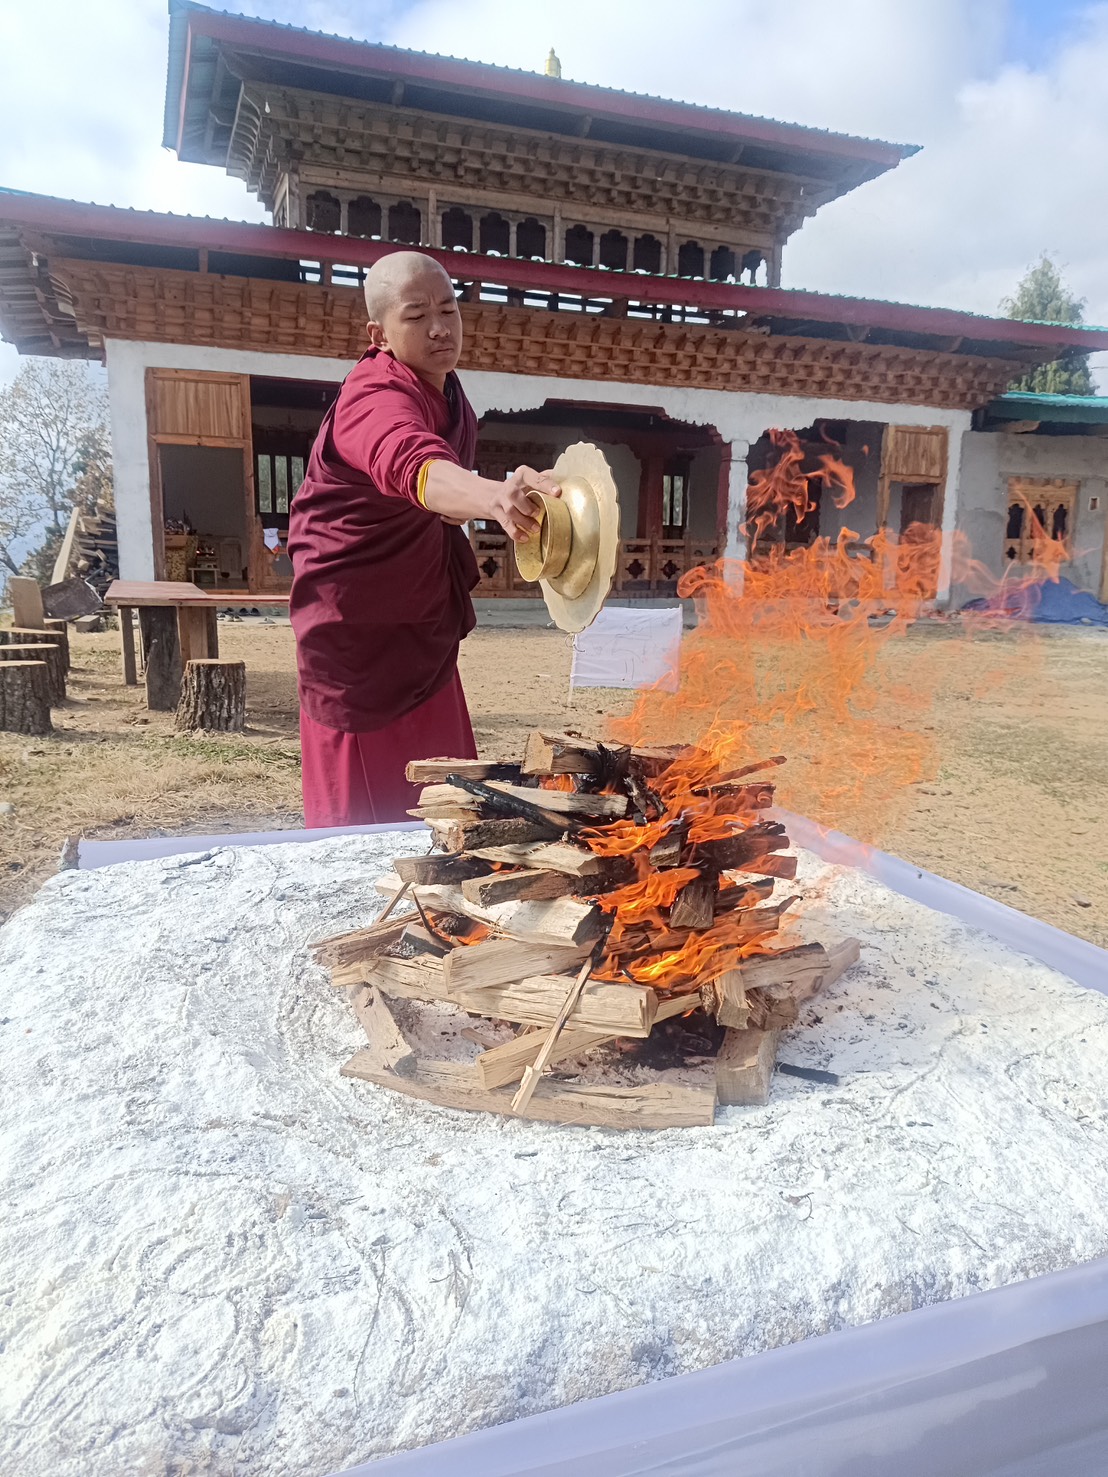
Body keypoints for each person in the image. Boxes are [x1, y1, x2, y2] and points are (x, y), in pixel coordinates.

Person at [288, 251, 559, 827]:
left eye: (448, 309)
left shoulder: (448, 392)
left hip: (421, 623)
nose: (439, 328)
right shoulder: (372, 398)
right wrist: (492, 497)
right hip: (358, 630)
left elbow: (437, 485)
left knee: (444, 800)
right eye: (416, 316)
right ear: (379, 335)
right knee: (362, 831)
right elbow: (411, 462)